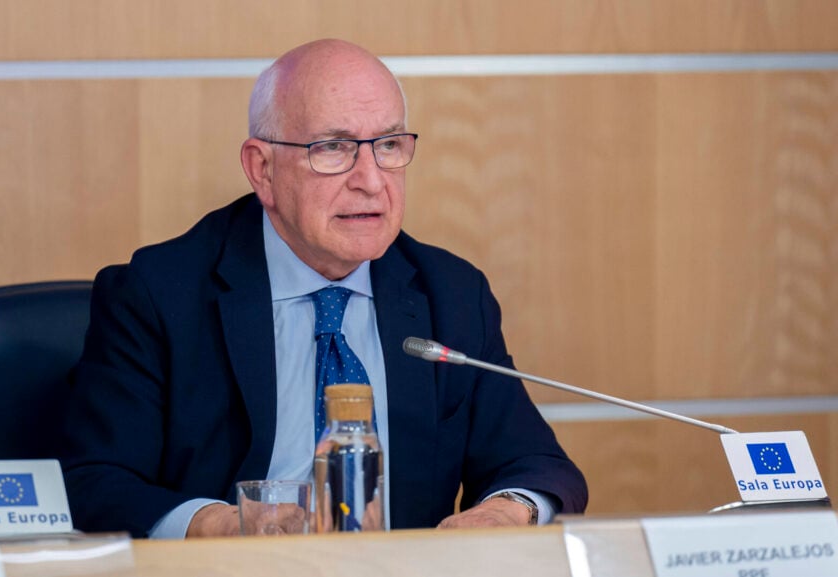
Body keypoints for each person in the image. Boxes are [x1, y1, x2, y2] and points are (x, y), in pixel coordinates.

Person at [59, 38, 587, 539]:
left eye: (388, 145)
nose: (372, 181)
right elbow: (94, 481)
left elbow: (534, 464)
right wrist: (221, 526)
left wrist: (504, 511)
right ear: (262, 169)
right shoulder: (158, 293)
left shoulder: (451, 294)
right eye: (334, 148)